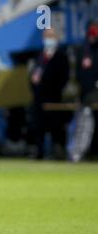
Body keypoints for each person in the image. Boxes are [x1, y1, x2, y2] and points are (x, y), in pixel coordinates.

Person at [28, 27, 70, 159]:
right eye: (47, 36)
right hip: (39, 96)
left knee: (55, 126)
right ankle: (39, 152)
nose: (49, 39)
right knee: (38, 125)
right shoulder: (39, 55)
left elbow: (64, 77)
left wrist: (54, 88)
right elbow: (32, 74)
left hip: (54, 96)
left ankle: (56, 152)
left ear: (56, 38)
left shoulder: (61, 56)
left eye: (51, 36)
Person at [76, 21, 98, 156]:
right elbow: (80, 74)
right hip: (86, 95)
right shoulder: (83, 50)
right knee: (85, 124)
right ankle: (85, 151)